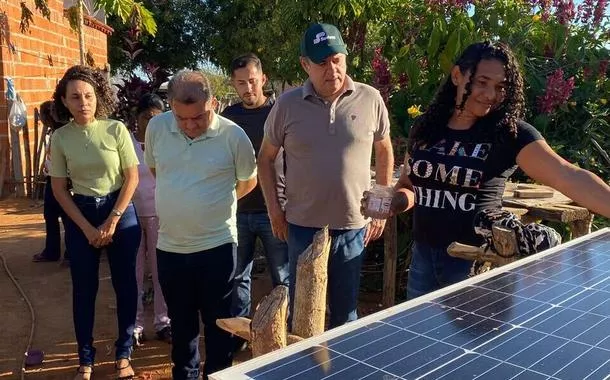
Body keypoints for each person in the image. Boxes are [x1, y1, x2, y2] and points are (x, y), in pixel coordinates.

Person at [362, 41, 610, 300]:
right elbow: (410, 186)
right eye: (482, 82)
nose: (491, 94)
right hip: (423, 260)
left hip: (474, 262)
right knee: (422, 336)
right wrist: (394, 202)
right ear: (457, 76)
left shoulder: (509, 134)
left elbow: (567, 175)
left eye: (500, 87)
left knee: (469, 341)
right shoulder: (426, 127)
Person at [258, 23, 394, 329]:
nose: (331, 69)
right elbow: (265, 159)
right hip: (303, 228)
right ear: (305, 64)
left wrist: (380, 208)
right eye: (321, 62)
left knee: (345, 315)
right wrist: (275, 211)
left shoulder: (370, 99)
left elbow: (384, 150)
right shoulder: (287, 105)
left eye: (337, 59)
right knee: (303, 315)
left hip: (351, 227)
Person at [144, 70, 257, 379]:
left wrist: (213, 202)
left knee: (220, 325)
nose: (191, 125)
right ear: (170, 108)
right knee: (182, 326)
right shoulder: (156, 128)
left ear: (214, 104)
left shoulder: (234, 136)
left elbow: (248, 181)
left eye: (200, 117)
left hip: (217, 247)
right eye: (182, 119)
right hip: (170, 248)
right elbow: (158, 170)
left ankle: (219, 375)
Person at [50, 65, 141, 380]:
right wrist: (87, 228)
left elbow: (132, 177)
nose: (83, 102)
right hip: (81, 214)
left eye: (88, 95)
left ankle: (123, 354)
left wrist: (113, 219)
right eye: (75, 97)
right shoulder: (60, 138)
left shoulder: (116, 129)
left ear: (97, 96)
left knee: (125, 285)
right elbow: (60, 190)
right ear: (64, 101)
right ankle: (85, 360)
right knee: (83, 290)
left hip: (120, 210)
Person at [221, 53, 289, 322]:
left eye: (252, 81)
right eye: (241, 83)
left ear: (263, 79)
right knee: (238, 276)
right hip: (238, 209)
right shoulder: (228, 118)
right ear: (233, 84)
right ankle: (240, 333)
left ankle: (282, 327)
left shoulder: (279, 113)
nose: (248, 88)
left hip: (274, 209)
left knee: (282, 276)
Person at [129, 93, 171, 346]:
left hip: (161, 215)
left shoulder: (167, 143)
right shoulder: (127, 143)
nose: (151, 123)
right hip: (132, 215)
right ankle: (135, 325)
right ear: (138, 118)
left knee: (160, 272)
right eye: (147, 117)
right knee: (133, 272)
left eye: (157, 118)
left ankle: (163, 321)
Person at [32, 101, 70, 265]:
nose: (40, 118)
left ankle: (69, 253)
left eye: (42, 114)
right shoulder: (55, 132)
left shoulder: (63, 134)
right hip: (53, 179)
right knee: (52, 216)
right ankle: (53, 251)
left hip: (65, 181)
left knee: (68, 218)